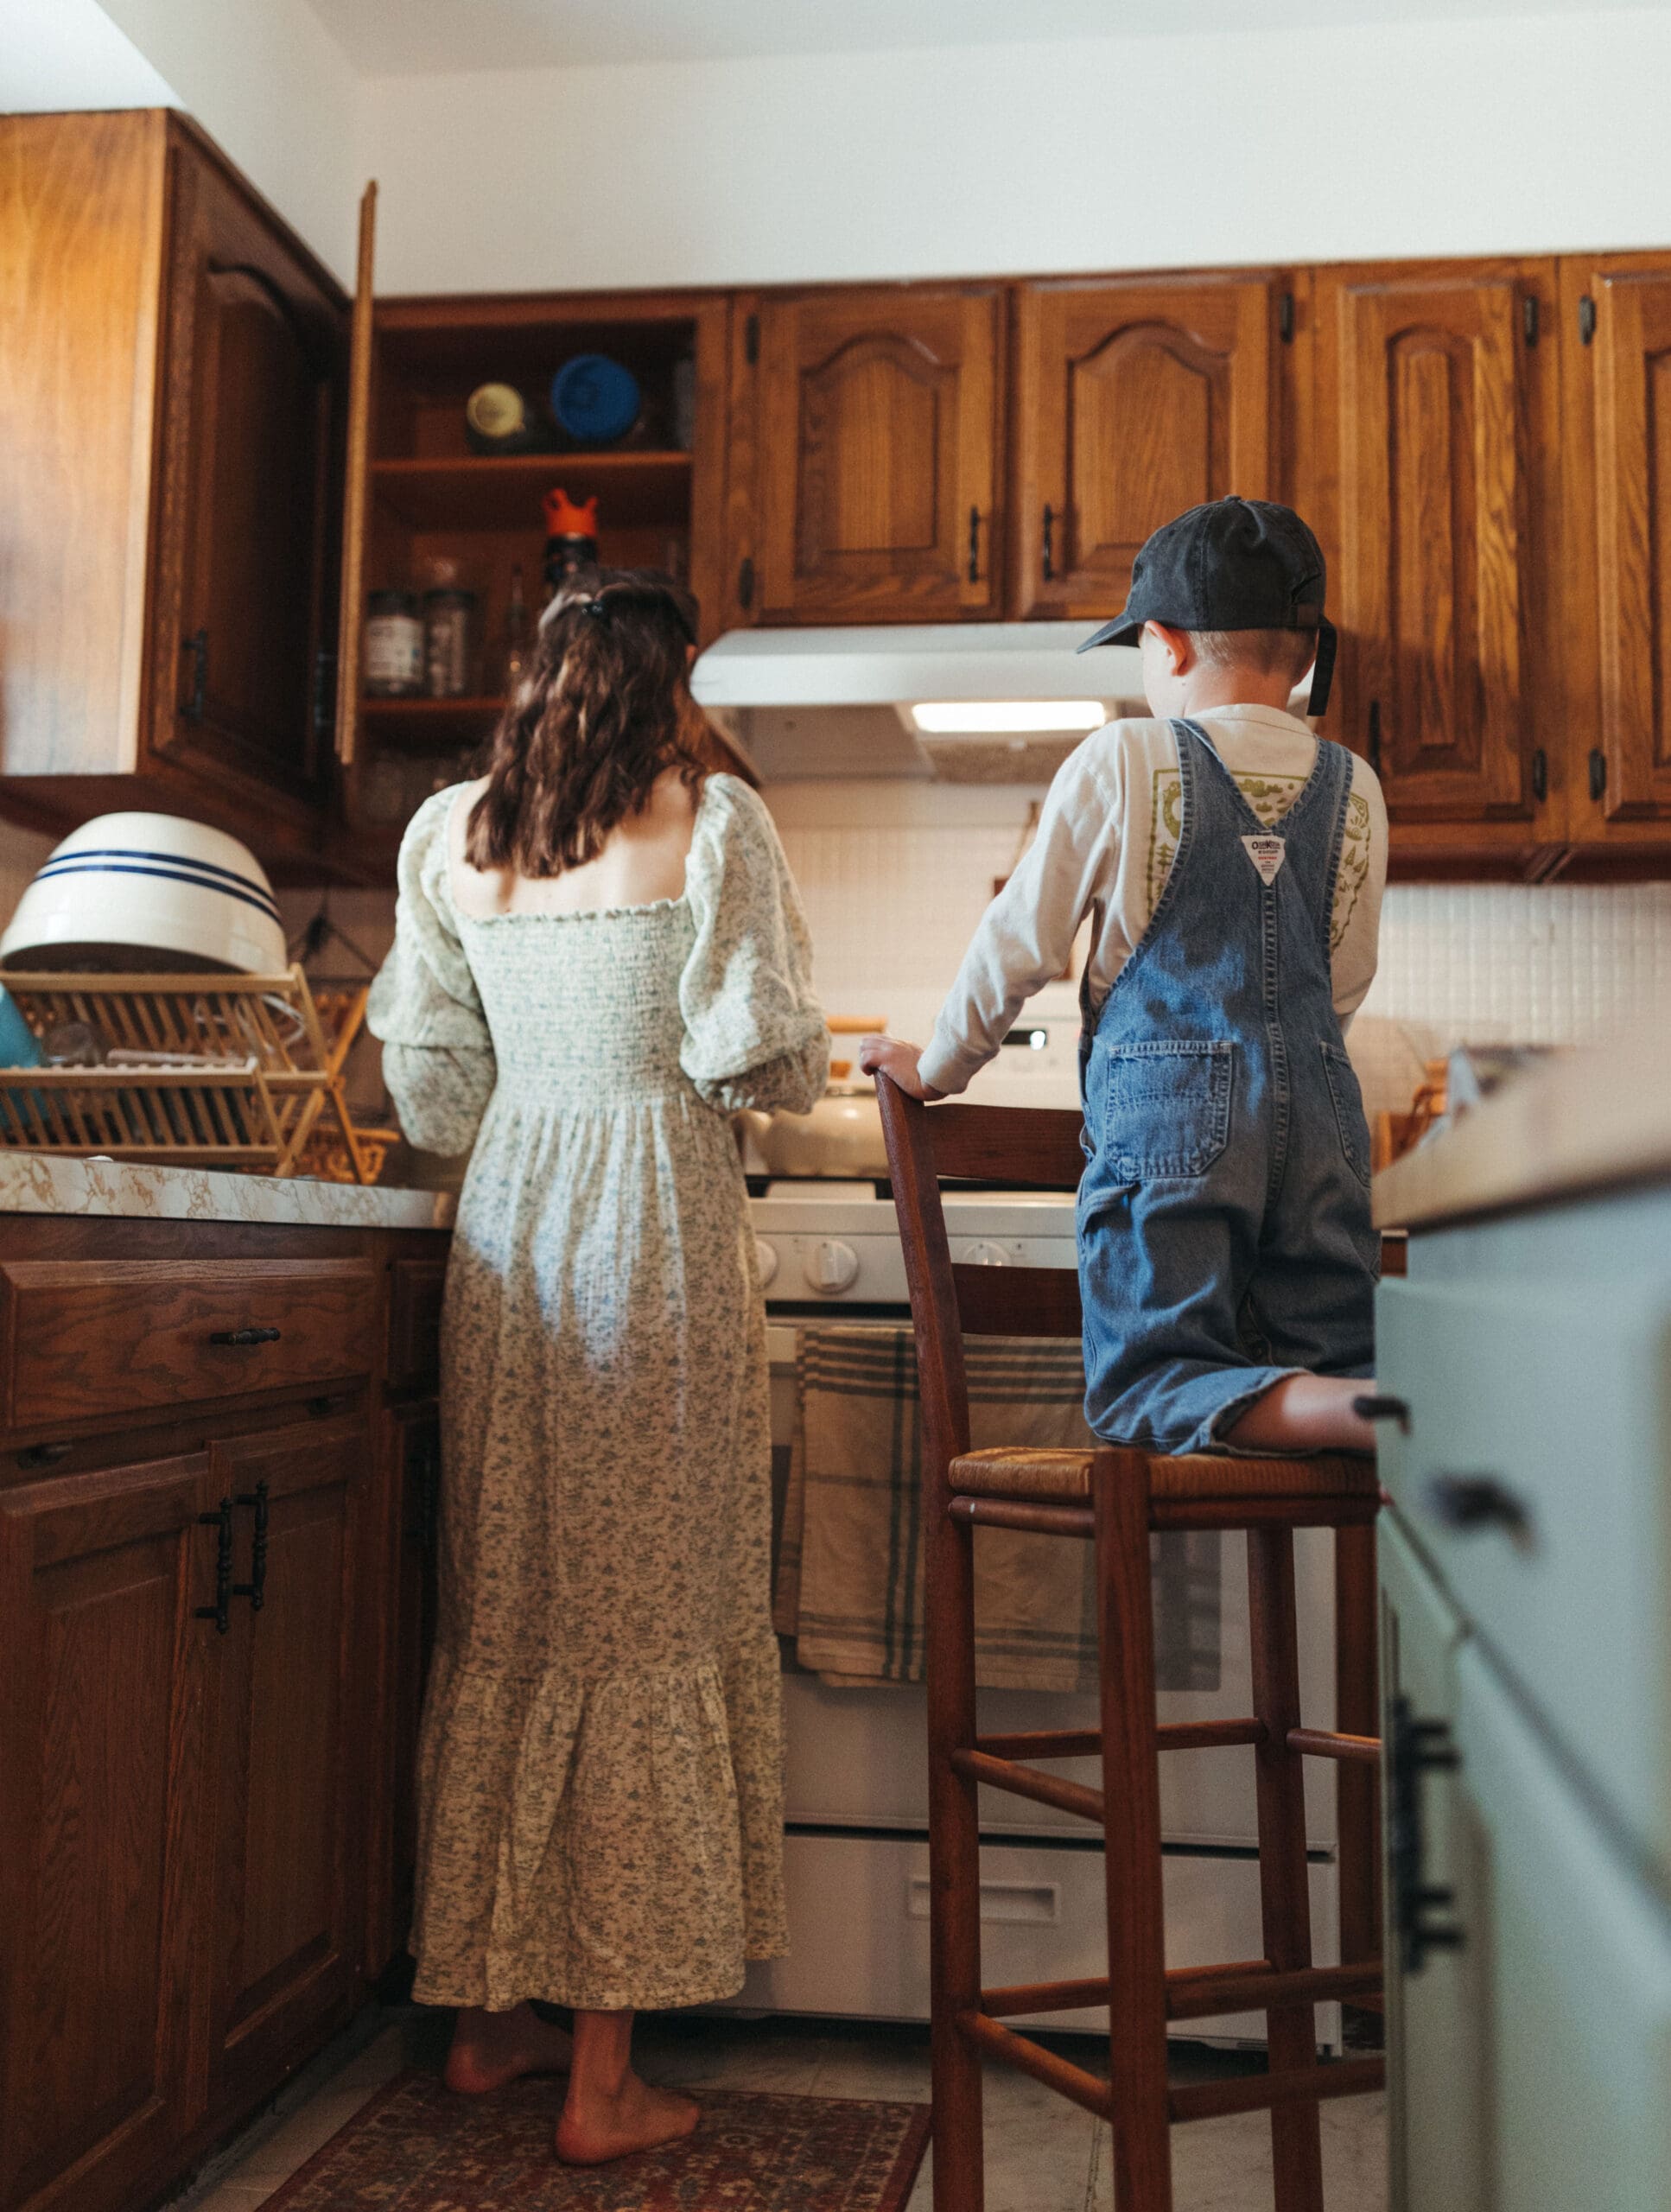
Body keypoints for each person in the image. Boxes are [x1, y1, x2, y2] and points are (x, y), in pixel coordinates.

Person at [367, 570, 827, 2162]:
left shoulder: (451, 836)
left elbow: (431, 1090)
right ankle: (601, 2083)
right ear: (674, 676)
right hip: (653, 1234)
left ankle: (488, 2023)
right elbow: (758, 1055)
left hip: (508, 1232)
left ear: (536, 677)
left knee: (504, 1614)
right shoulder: (712, 823)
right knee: (639, 1617)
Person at [861, 498, 1388, 1459]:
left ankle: (1348, 1407)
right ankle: (1360, 1400)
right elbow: (1342, 979)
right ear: (1304, 652)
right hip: (1319, 1116)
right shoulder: (1354, 783)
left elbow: (1017, 940)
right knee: (1325, 1346)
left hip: (1172, 1115)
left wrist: (937, 1066)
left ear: (1164, 644)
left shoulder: (1125, 757)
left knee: (1148, 1381)